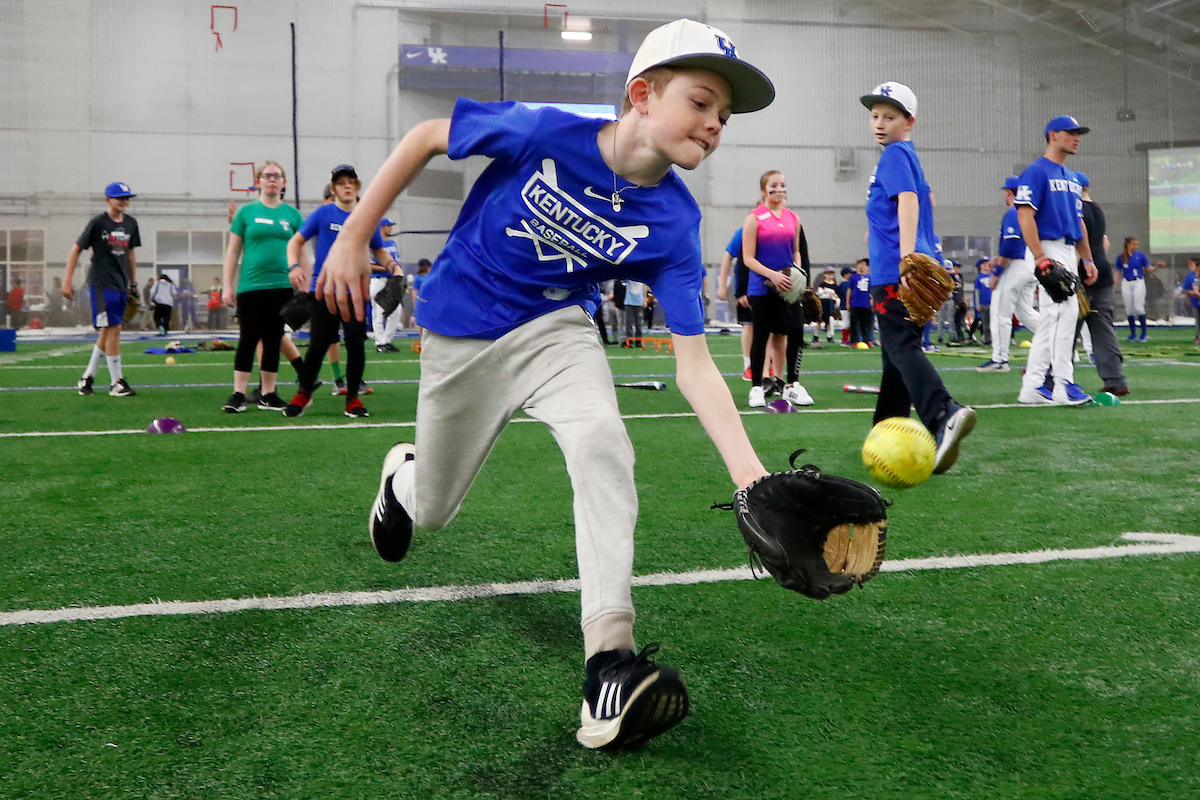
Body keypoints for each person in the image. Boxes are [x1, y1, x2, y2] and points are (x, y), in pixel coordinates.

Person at [318, 18, 776, 750]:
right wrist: (350, 238)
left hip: (557, 329)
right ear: (641, 95)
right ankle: (401, 482)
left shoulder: (673, 223)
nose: (715, 123)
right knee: (433, 511)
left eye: (724, 115)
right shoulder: (545, 133)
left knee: (603, 439)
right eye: (700, 102)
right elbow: (427, 136)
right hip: (462, 329)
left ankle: (610, 666)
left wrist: (750, 475)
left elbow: (694, 365)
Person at [861, 81, 975, 473]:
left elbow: (909, 200)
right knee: (895, 352)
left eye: (890, 117)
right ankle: (885, 430)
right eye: (875, 115)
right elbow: (926, 202)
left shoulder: (894, 155)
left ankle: (944, 412)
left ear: (909, 122)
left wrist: (907, 256)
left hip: (896, 271)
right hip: (903, 265)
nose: (879, 123)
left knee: (900, 345)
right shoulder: (908, 155)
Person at [283, 164, 398, 418]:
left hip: (356, 293)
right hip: (323, 290)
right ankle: (303, 393)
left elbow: (378, 250)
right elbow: (295, 241)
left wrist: (392, 265)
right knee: (319, 343)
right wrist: (293, 266)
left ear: (357, 188)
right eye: (340, 183)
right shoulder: (323, 214)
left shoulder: (368, 219)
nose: (346, 186)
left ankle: (353, 398)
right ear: (333, 189)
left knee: (356, 344)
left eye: (351, 182)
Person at [1014, 115, 1097, 406]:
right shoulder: (1037, 171)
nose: (1077, 138)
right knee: (1065, 314)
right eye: (1071, 133)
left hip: (1067, 250)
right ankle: (1063, 384)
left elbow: (1079, 221)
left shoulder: (1072, 178)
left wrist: (1087, 258)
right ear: (1052, 135)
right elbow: (1025, 215)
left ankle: (1034, 385)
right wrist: (1039, 257)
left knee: (1053, 319)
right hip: (1046, 248)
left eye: (1079, 133)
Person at [220, 161, 306, 413]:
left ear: (283, 182)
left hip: (282, 285)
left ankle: (268, 394)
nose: (272, 180)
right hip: (251, 285)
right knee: (248, 337)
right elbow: (232, 252)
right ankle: (238, 394)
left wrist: (307, 286)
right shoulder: (245, 214)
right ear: (258, 181)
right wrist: (227, 285)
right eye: (267, 176)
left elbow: (303, 253)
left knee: (272, 338)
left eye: (276, 176)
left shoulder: (293, 215)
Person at [63, 181, 141, 397]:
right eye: (120, 198)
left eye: (127, 198)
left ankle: (87, 378)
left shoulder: (131, 224)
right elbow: (76, 250)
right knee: (114, 329)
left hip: (120, 284)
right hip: (101, 282)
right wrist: (67, 280)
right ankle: (117, 382)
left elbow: (131, 254)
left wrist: (133, 283)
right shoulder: (98, 223)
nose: (124, 201)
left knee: (108, 330)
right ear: (108, 200)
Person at [742, 170, 812, 407]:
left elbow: (796, 251)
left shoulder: (794, 218)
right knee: (761, 335)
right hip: (761, 288)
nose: (779, 189)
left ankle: (792, 384)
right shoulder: (754, 218)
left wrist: (796, 273)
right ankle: (756, 388)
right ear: (763, 190)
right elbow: (748, 258)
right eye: (774, 186)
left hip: (788, 289)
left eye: (783, 185)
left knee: (795, 331)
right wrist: (772, 275)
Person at [1074, 172, 1128, 396]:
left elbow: (1078, 241)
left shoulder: (1076, 210)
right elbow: (1103, 243)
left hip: (1083, 273)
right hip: (1103, 271)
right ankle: (1116, 379)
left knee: (1065, 327)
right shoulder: (1097, 209)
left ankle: (1048, 375)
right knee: (1103, 328)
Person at [977, 176, 1039, 372]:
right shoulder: (1029, 212)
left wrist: (996, 272)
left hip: (1016, 267)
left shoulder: (1013, 212)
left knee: (1000, 312)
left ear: (1009, 192)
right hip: (1030, 265)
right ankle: (1062, 343)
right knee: (1025, 312)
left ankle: (1000, 360)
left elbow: (1010, 245)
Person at [715, 227, 755, 378]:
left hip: (769, 286)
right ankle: (748, 365)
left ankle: (768, 367)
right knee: (749, 325)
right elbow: (728, 257)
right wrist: (722, 286)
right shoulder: (744, 231)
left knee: (771, 330)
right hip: (748, 287)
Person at [370, 217, 405, 353]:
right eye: (387, 226)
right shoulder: (374, 244)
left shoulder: (392, 243)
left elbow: (397, 263)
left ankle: (387, 340)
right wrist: (387, 268)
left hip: (392, 281)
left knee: (396, 311)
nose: (390, 228)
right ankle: (380, 343)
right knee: (379, 313)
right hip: (378, 280)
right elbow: (370, 265)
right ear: (381, 228)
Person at [1114, 236, 1150, 342]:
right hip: (1126, 282)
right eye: (1134, 244)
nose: (1136, 247)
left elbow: (1149, 268)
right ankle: (1133, 333)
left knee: (1139, 307)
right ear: (1128, 245)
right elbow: (1118, 271)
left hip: (1138, 281)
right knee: (1129, 309)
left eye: (1137, 245)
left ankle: (1144, 333)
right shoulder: (1121, 257)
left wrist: (1156, 267)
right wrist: (1115, 281)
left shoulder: (1140, 256)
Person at [847, 258, 873, 345]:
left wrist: (873, 301)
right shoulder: (853, 277)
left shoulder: (870, 278)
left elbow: (872, 290)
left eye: (864, 265)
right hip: (855, 303)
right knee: (854, 323)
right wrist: (848, 302)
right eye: (860, 264)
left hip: (867, 304)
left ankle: (867, 340)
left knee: (867, 323)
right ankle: (854, 340)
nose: (862, 267)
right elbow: (849, 290)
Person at [970, 258, 992, 346]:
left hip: (993, 303)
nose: (986, 266)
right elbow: (977, 292)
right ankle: (987, 339)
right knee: (985, 323)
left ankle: (995, 339)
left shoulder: (992, 276)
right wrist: (977, 304)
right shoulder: (979, 278)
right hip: (984, 303)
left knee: (993, 322)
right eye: (984, 264)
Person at [621, 279, 646, 346]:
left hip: (639, 302)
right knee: (628, 322)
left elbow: (644, 287)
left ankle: (638, 341)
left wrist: (645, 299)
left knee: (638, 323)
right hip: (629, 302)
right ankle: (629, 340)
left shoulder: (641, 276)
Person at [1183, 257, 1200, 342]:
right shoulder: (1190, 276)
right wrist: (1188, 298)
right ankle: (1198, 336)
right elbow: (1188, 289)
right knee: (1197, 319)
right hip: (1195, 301)